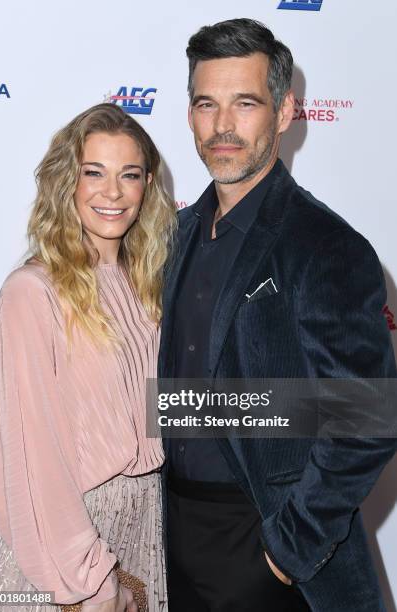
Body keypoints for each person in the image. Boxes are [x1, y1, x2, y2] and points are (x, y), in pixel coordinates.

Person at [158, 18, 397, 612]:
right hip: (175, 541)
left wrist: (283, 554)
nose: (223, 126)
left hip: (268, 547)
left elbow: (366, 419)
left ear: (285, 112)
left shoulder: (327, 245)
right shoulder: (176, 235)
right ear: (189, 114)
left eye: (246, 103)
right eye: (206, 104)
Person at [0, 103, 176, 611]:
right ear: (68, 182)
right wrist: (89, 579)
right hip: (67, 543)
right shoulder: (33, 290)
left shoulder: (150, 288)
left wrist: (335, 410)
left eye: (128, 175)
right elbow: (28, 455)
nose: (112, 192)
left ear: (147, 186)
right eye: (95, 173)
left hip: (145, 521)